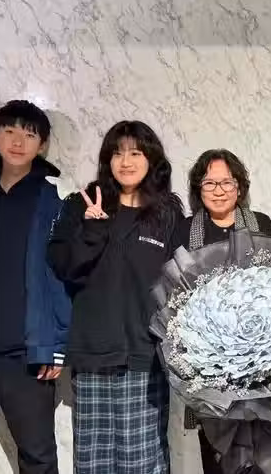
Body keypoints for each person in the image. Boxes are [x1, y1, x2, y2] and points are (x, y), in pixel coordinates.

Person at [47, 121, 184, 474]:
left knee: (144, 462)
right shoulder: (82, 204)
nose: (126, 161)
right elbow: (63, 266)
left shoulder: (167, 213)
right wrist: (92, 229)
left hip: (146, 356)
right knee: (93, 462)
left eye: (135, 153)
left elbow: (182, 282)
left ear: (151, 159)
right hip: (92, 353)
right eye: (117, 153)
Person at [0, 100, 71, 474]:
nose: (18, 141)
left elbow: (61, 278)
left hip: (27, 355)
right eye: (10, 131)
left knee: (37, 456)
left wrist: (56, 347)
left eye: (29, 134)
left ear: (42, 144)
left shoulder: (54, 199)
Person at [180, 148, 271, 474]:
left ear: (239, 187)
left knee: (260, 447)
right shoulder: (185, 230)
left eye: (227, 182)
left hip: (257, 357)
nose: (219, 190)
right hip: (207, 362)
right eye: (210, 183)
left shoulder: (260, 224)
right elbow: (174, 291)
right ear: (199, 188)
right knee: (216, 448)